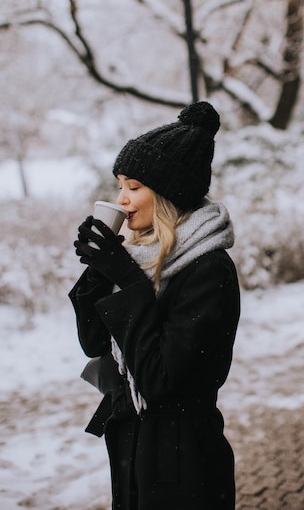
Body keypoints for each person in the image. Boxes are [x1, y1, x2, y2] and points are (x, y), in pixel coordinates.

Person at [69, 101, 240, 510]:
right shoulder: (142, 258)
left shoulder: (209, 269)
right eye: (120, 185)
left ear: (166, 193)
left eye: (133, 187)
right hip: (134, 445)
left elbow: (158, 378)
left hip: (182, 459)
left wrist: (125, 277)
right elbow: (95, 343)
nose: (122, 200)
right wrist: (99, 273)